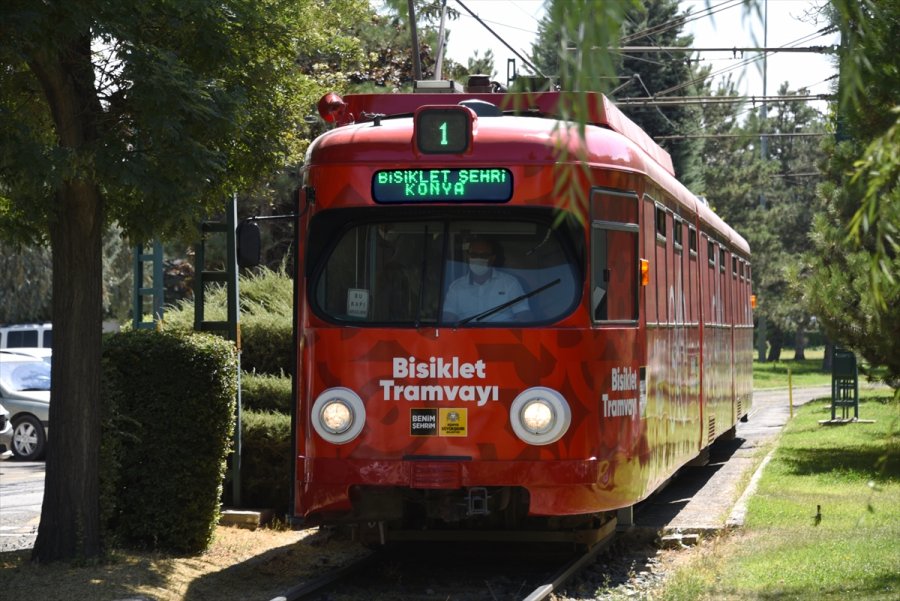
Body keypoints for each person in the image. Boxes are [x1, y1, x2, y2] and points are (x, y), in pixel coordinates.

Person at [442, 238, 534, 323]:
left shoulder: (510, 283)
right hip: (466, 337)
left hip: (502, 336)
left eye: (484, 255)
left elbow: (524, 316)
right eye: (474, 254)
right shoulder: (456, 287)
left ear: (492, 258)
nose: (478, 258)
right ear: (468, 256)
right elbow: (448, 319)